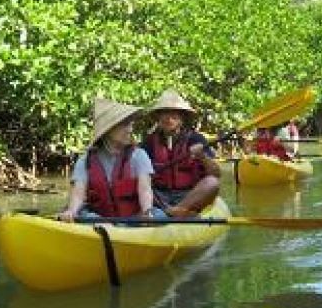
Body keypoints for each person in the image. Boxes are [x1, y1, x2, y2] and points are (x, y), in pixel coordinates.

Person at [59, 98, 167, 221]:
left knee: (159, 216)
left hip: (134, 220)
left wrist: (147, 211)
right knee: (84, 215)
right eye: (125, 125)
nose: (130, 130)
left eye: (131, 125)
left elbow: (145, 189)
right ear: (109, 130)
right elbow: (78, 194)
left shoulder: (139, 155)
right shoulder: (86, 160)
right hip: (100, 221)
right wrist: (71, 211)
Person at [142, 90, 221, 218]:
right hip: (159, 195)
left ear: (182, 118)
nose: (168, 118)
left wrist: (202, 156)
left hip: (189, 194)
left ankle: (178, 209)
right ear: (158, 117)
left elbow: (216, 173)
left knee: (212, 182)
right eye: (164, 113)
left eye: (174, 114)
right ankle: (171, 211)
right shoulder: (149, 142)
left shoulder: (196, 138)